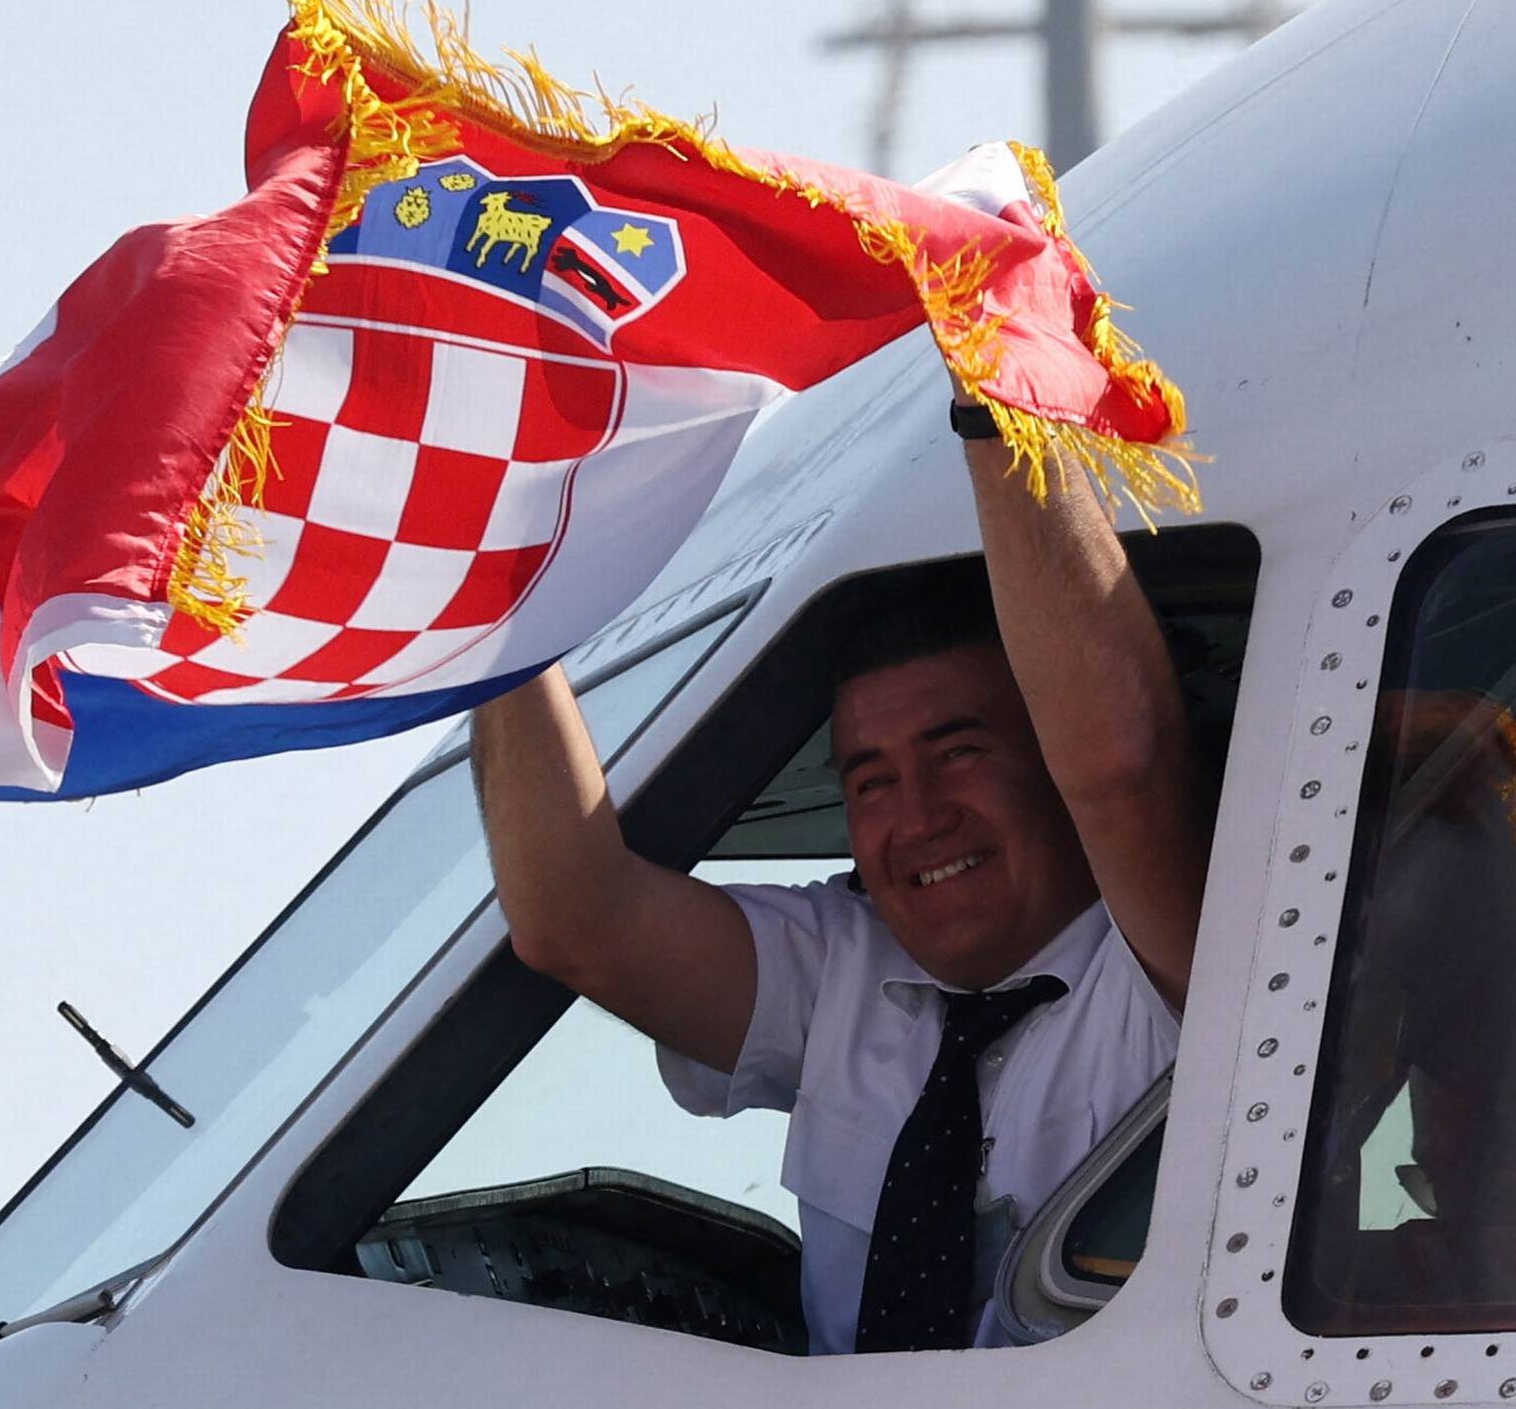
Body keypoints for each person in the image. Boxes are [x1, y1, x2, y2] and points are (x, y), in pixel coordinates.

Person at [470, 393, 1209, 1353]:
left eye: (959, 753)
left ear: (1050, 758)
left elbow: (1125, 768)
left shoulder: (1172, 955)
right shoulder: (838, 970)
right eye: (871, 781)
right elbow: (572, 921)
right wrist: (500, 565)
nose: (918, 816)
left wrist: (995, 394)